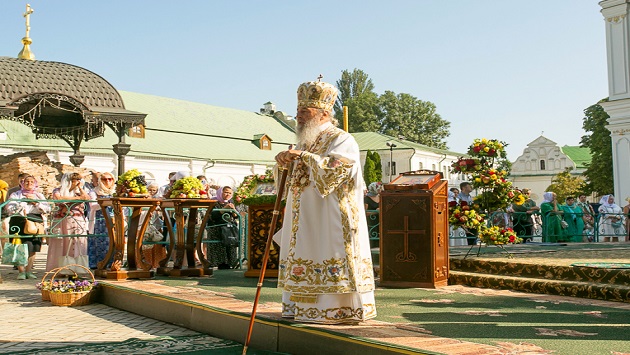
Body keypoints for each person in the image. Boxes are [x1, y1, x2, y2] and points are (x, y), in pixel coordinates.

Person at [272, 78, 376, 324]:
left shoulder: (342, 139)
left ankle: (336, 309)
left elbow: (336, 171)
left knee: (328, 252)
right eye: (298, 111)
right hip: (302, 214)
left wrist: (304, 157)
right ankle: (299, 307)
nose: (298, 116)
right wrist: (282, 162)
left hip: (330, 215)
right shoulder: (304, 141)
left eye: (304, 112)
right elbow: (292, 179)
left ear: (324, 113)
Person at [5, 175, 50, 279]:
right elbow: (10, 207)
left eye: (31, 182)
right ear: (22, 183)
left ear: (35, 184)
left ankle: (29, 270)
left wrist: (35, 203)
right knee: (18, 245)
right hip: (19, 220)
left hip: (35, 220)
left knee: (33, 246)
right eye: (26, 182)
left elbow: (47, 209)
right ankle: (21, 271)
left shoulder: (39, 195)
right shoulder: (16, 194)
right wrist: (23, 203)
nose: (29, 184)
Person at [47, 172, 90, 272]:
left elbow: (86, 198)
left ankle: (77, 269)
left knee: (78, 242)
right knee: (63, 244)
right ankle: (61, 269)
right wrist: (77, 199)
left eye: (79, 180)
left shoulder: (79, 191)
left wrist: (80, 189)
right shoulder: (58, 190)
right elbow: (59, 199)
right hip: (63, 221)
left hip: (77, 220)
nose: (77, 182)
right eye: (75, 180)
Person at [87, 172, 116, 269]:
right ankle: (99, 265)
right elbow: (93, 205)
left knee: (115, 243)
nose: (107, 181)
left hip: (114, 221)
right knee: (99, 243)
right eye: (104, 179)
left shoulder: (115, 192)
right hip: (100, 221)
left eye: (110, 179)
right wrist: (107, 203)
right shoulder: (94, 192)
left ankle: (112, 264)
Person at [205, 186, 239, 269]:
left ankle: (230, 263)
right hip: (216, 229)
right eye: (226, 192)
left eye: (230, 193)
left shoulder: (231, 202)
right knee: (218, 247)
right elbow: (213, 216)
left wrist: (234, 210)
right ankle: (219, 263)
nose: (228, 194)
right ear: (221, 192)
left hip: (229, 229)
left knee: (230, 246)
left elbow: (236, 217)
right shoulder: (213, 202)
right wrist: (225, 209)